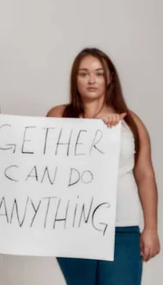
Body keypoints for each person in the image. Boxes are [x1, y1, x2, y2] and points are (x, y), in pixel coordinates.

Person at [48, 48, 159, 285]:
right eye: (84, 73)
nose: (91, 80)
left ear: (110, 78)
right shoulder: (58, 116)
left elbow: (145, 176)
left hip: (123, 226)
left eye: (98, 74)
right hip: (74, 226)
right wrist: (94, 131)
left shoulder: (130, 121)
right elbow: (45, 166)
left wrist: (150, 228)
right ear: (74, 79)